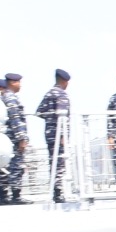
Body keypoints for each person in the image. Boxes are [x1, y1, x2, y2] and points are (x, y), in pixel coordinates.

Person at [35, 69, 71, 201]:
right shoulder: (61, 94)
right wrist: (63, 136)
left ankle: (56, 190)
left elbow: (39, 112)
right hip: (59, 136)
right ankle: (58, 192)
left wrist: (50, 118)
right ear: (64, 81)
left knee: (53, 162)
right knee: (60, 163)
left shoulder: (49, 93)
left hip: (49, 134)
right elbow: (63, 117)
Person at [0, 73, 29, 204]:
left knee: (2, 167)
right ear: (13, 83)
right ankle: (16, 196)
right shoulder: (11, 98)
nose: (20, 85)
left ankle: (1, 196)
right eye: (19, 82)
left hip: (5, 139)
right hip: (13, 139)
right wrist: (22, 138)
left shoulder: (4, 97)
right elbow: (15, 119)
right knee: (16, 167)